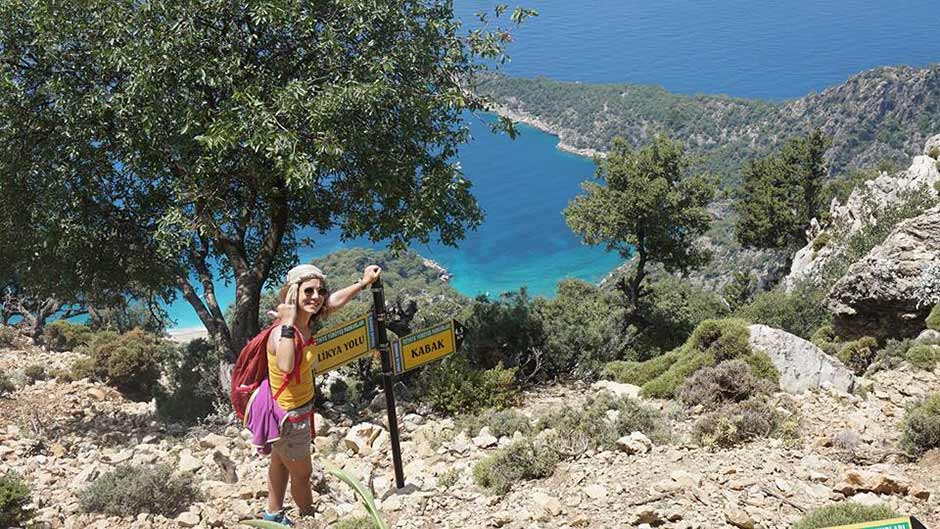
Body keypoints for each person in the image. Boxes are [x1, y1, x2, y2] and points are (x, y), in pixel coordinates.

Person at [260, 262, 381, 526]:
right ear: (294, 293)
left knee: (280, 464)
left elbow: (333, 303)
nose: (316, 297)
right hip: (289, 417)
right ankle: (307, 519)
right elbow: (285, 364)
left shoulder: (306, 320)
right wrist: (289, 321)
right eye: (308, 291)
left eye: (320, 290)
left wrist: (363, 283)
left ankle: (272, 514)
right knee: (302, 476)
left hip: (290, 411)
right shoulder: (284, 330)